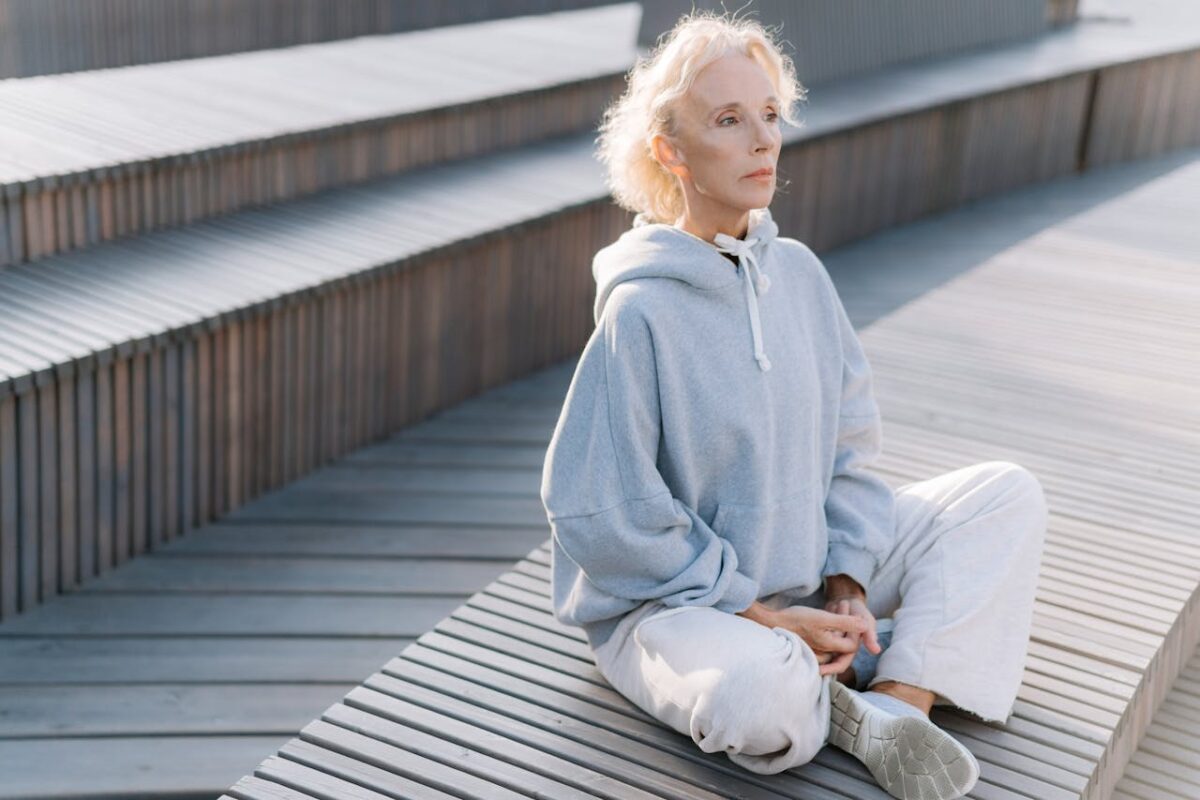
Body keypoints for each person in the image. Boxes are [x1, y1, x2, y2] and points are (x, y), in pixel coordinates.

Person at [539, 9, 1047, 800]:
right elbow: (602, 513)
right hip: (679, 611)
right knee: (758, 696)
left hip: (806, 573)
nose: (763, 140)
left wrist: (845, 581)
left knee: (1003, 497)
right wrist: (759, 615)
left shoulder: (802, 276)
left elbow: (849, 450)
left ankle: (895, 706)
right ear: (670, 151)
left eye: (770, 115)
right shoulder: (640, 313)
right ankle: (827, 690)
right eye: (730, 120)